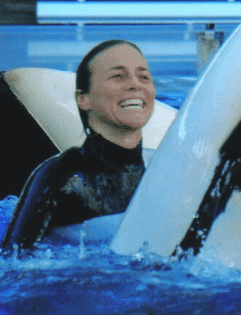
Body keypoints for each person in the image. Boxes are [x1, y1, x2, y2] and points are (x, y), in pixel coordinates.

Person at [1, 39, 156, 250]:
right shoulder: (61, 176)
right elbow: (15, 259)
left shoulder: (161, 168)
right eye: (117, 76)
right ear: (83, 99)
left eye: (144, 77)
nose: (135, 85)